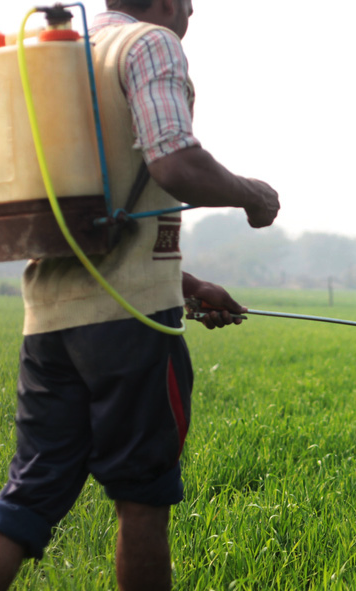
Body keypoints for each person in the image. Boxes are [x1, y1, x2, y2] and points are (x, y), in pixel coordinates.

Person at [0, 0, 280, 589]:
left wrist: (188, 284)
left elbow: (89, 215)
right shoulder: (148, 44)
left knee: (29, 496)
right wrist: (252, 194)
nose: (192, 9)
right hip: (131, 327)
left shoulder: (57, 55)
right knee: (143, 500)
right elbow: (174, 161)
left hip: (48, 323)